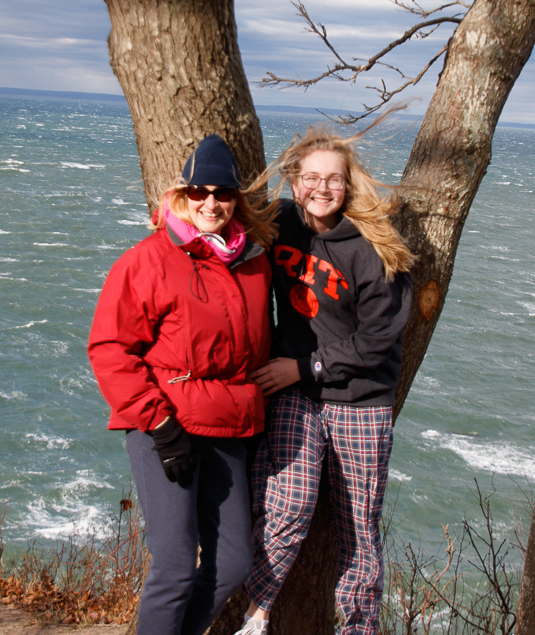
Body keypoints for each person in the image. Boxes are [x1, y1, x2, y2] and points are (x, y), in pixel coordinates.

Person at [87, 134, 277, 635]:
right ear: (181, 195)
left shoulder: (255, 261)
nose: (211, 202)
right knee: (173, 569)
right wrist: (160, 425)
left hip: (231, 427)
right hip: (165, 428)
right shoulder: (146, 260)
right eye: (200, 192)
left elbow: (259, 342)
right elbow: (110, 349)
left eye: (223, 193)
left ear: (236, 199)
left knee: (234, 564)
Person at [239, 125, 414, 635]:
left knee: (358, 527)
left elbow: (377, 341)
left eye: (332, 179)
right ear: (294, 183)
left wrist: (306, 366)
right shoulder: (280, 223)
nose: (321, 188)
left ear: (349, 185)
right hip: (296, 395)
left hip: (358, 398)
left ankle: (358, 627)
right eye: (310, 178)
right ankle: (256, 612)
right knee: (286, 501)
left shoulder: (374, 248)